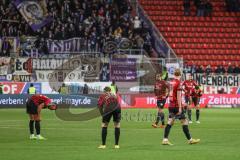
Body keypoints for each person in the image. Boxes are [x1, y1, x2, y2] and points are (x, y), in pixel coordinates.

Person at [162, 69, 200, 145]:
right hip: (176, 105)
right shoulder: (178, 83)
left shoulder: (170, 83)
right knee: (185, 121)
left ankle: (165, 139)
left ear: (174, 75)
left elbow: (167, 93)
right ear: (180, 75)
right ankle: (190, 140)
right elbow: (179, 96)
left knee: (170, 122)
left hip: (171, 105)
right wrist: (180, 107)